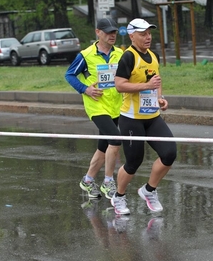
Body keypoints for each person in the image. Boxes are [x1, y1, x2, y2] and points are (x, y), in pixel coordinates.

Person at [111, 18, 177, 215]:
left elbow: (156, 80)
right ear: (132, 36)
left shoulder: (153, 55)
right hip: (131, 118)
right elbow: (119, 85)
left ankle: (149, 190)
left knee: (169, 153)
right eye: (143, 34)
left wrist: (160, 98)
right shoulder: (128, 57)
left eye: (149, 33)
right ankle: (119, 196)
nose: (147, 37)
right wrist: (145, 87)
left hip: (152, 117)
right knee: (133, 162)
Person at [65, 18, 123, 199]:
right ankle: (108, 182)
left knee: (103, 147)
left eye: (114, 32)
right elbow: (69, 75)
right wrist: (86, 89)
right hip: (96, 107)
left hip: (115, 106)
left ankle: (88, 181)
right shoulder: (86, 55)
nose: (112, 35)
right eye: (108, 32)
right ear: (98, 32)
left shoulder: (120, 53)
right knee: (115, 140)